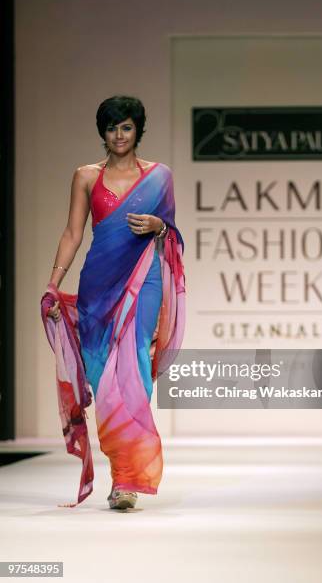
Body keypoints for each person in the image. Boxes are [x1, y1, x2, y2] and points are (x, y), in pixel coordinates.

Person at [40, 95, 186, 510]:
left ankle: (126, 479)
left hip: (144, 280)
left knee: (135, 369)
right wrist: (53, 285)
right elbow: (72, 233)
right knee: (103, 378)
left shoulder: (160, 176)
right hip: (98, 287)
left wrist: (161, 225)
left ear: (138, 129)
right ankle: (120, 466)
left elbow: (171, 234)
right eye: (111, 128)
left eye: (126, 127)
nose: (119, 135)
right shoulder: (86, 176)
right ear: (102, 132)